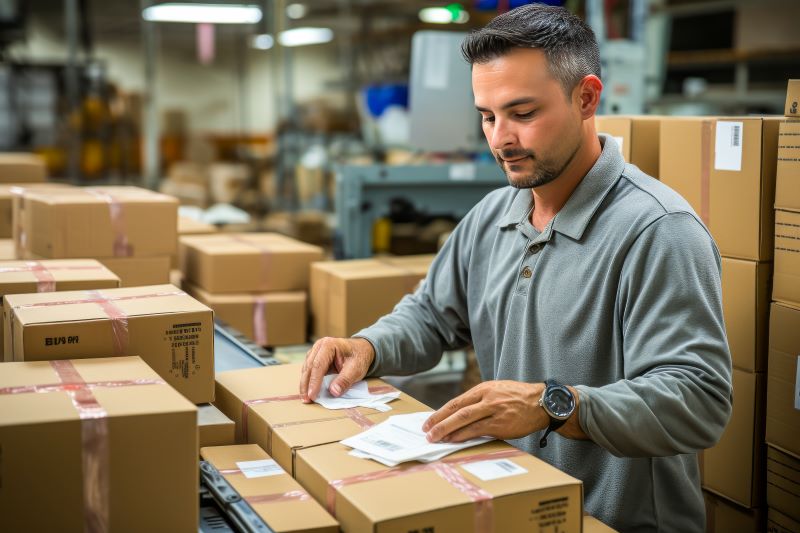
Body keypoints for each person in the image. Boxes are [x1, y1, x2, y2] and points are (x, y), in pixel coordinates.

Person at [299, 4, 732, 531]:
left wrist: (556, 405)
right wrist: (368, 347)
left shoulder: (657, 231)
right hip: (521, 503)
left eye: (522, 114)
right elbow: (433, 315)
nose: (500, 139)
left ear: (587, 97)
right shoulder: (493, 216)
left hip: (616, 521)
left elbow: (699, 399)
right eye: (487, 115)